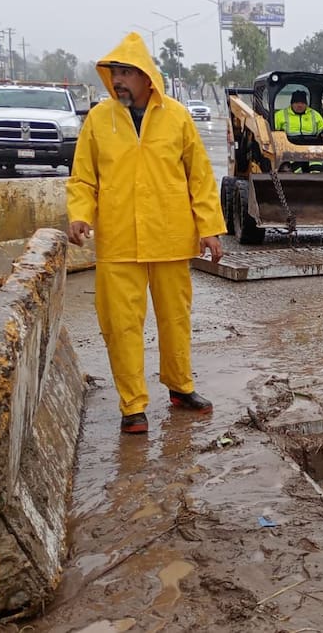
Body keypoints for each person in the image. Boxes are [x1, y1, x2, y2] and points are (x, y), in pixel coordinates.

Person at [66, 32, 227, 435]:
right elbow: (83, 177)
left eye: (126, 73)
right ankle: (133, 406)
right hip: (118, 241)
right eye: (114, 73)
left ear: (145, 77)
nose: (118, 80)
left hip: (170, 237)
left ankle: (179, 387)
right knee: (121, 325)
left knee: (175, 319)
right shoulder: (99, 121)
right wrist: (80, 214)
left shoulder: (176, 116)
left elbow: (200, 177)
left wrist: (210, 229)